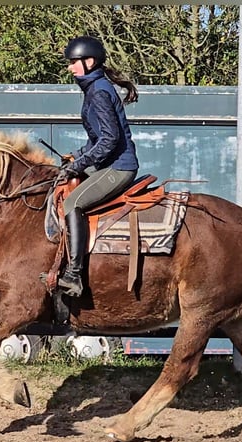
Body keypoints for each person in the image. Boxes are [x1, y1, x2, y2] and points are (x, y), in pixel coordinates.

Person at [56, 35, 140, 297]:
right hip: (109, 163)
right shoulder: (95, 88)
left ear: (89, 62)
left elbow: (110, 140)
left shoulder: (100, 91)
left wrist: (80, 164)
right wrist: (76, 156)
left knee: (73, 203)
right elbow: (97, 140)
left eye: (73, 62)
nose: (70, 68)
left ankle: (74, 275)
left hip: (119, 168)